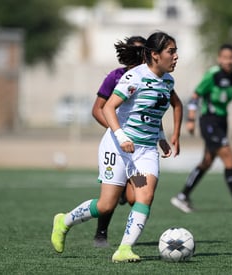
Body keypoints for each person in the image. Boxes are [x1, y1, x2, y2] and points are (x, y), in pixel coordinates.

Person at [51, 31, 181, 262]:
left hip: (146, 150)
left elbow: (152, 112)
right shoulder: (134, 78)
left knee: (145, 196)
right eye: (171, 51)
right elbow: (108, 108)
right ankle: (64, 221)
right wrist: (121, 137)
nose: (176, 56)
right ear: (155, 54)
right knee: (106, 205)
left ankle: (124, 249)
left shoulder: (168, 81)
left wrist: (162, 137)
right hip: (117, 147)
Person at [170, 43, 232, 214]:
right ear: (219, 58)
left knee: (207, 161)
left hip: (222, 121)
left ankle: (182, 196)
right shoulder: (212, 75)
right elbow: (195, 95)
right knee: (228, 156)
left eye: (231, 58)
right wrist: (191, 119)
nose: (229, 61)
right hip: (209, 121)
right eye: (225, 57)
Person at [91, 36, 147, 248]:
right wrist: (118, 132)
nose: (141, 56)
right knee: (108, 200)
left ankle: (125, 192)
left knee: (135, 198)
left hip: (140, 147)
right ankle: (101, 233)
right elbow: (98, 109)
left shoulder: (151, 78)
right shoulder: (116, 76)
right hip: (118, 145)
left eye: (144, 51)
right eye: (137, 51)